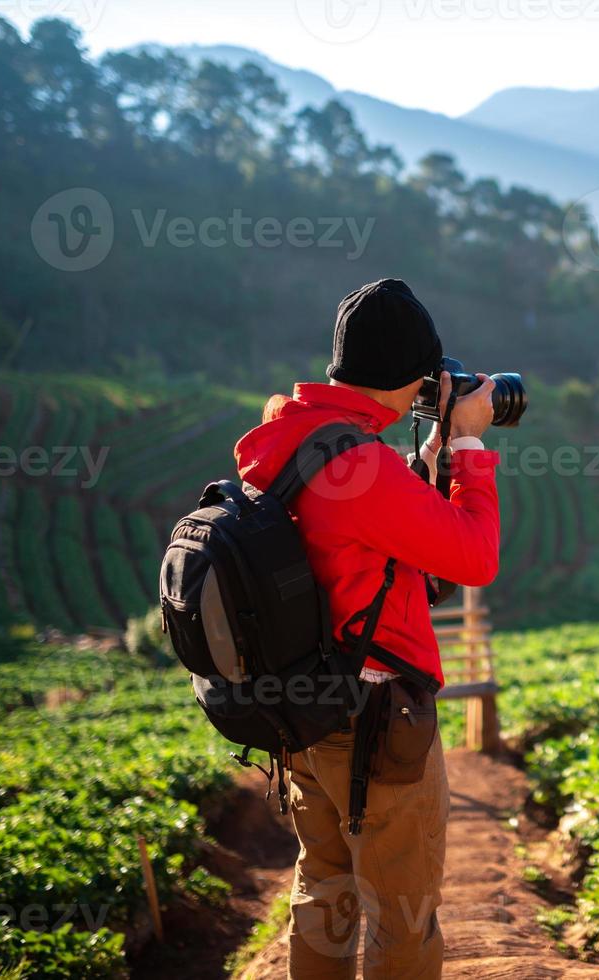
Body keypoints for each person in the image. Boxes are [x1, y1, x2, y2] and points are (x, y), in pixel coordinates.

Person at [233, 278, 500, 979]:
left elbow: (349, 526)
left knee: (324, 887)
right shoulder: (362, 465)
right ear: (413, 377)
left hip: (302, 708)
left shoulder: (290, 433)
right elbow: (474, 557)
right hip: (375, 723)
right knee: (402, 909)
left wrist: (429, 453)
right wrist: (468, 444)